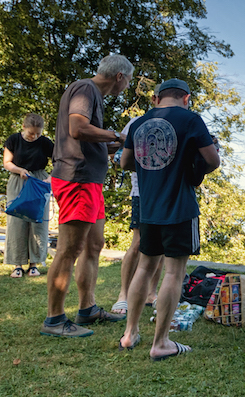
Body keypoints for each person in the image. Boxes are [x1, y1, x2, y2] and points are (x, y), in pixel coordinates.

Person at [118, 79, 219, 360]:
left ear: (156, 98)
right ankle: (160, 342)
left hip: (148, 207)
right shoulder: (191, 119)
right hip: (179, 208)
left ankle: (129, 334)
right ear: (186, 98)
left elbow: (125, 162)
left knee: (144, 268)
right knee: (173, 272)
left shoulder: (139, 123)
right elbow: (212, 160)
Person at [41, 54, 133, 338]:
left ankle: (88, 308)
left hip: (90, 180)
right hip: (76, 178)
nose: (127, 86)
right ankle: (55, 319)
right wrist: (115, 136)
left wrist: (116, 146)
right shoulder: (85, 89)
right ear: (119, 76)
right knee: (70, 249)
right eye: (128, 81)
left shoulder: (93, 95)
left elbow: (87, 139)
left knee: (94, 245)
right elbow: (77, 128)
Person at [110, 112, 163, 316]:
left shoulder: (177, 122)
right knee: (138, 243)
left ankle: (151, 294)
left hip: (168, 193)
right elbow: (120, 155)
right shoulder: (137, 122)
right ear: (155, 99)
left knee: (162, 247)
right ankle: (123, 296)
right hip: (142, 192)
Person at [2, 113, 54, 278]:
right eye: (32, 133)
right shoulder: (14, 140)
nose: (35, 136)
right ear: (23, 127)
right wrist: (19, 170)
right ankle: (17, 264)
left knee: (37, 221)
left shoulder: (45, 143)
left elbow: (59, 161)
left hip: (39, 181)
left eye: (38, 133)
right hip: (18, 180)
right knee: (17, 221)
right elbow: (7, 162)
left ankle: (34, 263)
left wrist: (50, 178)